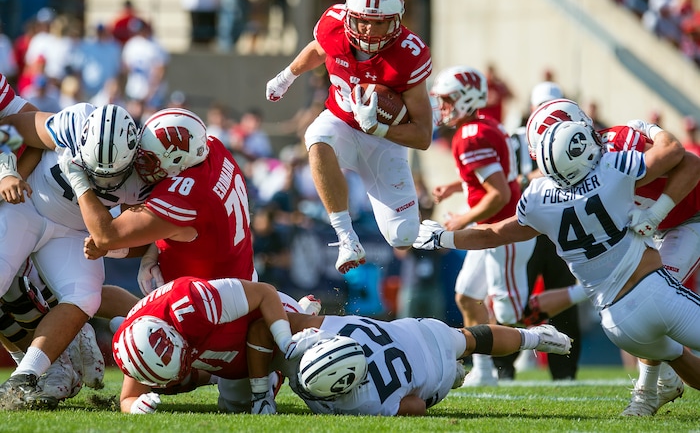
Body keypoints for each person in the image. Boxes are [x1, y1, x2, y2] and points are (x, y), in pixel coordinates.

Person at [413, 120, 700, 415]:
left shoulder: (540, 201)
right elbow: (673, 150)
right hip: (654, 291)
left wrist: (443, 237)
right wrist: (649, 128)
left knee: (675, 355)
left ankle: (648, 394)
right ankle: (650, 390)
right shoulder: (613, 170)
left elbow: (493, 233)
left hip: (617, 323)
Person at [525, 98, 700, 415]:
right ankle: (663, 382)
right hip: (651, 229)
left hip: (688, 217)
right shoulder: (564, 180)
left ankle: (649, 392)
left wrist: (657, 212)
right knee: (649, 302)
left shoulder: (619, 146)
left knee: (656, 290)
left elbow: (690, 164)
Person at [265, 0, 433, 274]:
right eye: (363, 20)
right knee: (316, 138)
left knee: (403, 237)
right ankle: (346, 238)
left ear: (396, 21)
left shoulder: (409, 55)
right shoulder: (334, 24)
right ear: (349, 15)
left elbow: (423, 136)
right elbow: (319, 49)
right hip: (340, 122)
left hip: (385, 142)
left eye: (379, 21)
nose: (369, 30)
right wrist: (286, 76)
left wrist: (380, 128)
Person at [0, 93, 146, 410]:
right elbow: (8, 128)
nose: (99, 180)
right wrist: (7, 171)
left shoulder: (146, 168)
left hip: (75, 233)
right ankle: (71, 343)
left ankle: (22, 379)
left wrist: (111, 246)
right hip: (25, 208)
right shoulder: (73, 122)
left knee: (86, 295)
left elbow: (145, 235)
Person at [60, 107, 258, 296]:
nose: (140, 163)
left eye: (149, 159)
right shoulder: (211, 147)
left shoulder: (185, 196)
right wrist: (153, 252)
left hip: (212, 301)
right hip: (240, 273)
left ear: (177, 161)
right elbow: (198, 225)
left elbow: (106, 235)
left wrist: (79, 181)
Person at [243, 311, 572, 416]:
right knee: (472, 338)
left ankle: (455, 375)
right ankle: (535, 338)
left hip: (435, 378)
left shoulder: (366, 401)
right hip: (420, 332)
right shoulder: (335, 330)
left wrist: (262, 396)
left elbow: (415, 406)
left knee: (433, 379)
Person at [429, 66, 535, 385]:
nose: (442, 107)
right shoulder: (481, 125)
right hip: (488, 230)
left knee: (508, 312)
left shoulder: (472, 135)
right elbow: (490, 177)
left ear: (466, 98)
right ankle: (484, 371)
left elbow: (499, 193)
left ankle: (543, 339)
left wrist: (461, 218)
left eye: (447, 100)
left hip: (504, 231)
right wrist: (454, 187)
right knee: (466, 295)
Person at [111, 276, 301, 414]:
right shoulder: (135, 347)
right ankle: (220, 377)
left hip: (265, 315)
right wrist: (137, 407)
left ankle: (276, 365)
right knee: (172, 386)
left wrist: (284, 339)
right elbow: (128, 399)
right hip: (216, 348)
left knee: (242, 401)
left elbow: (265, 292)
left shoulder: (190, 304)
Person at [512, 82, 584, 381]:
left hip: (561, 231)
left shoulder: (577, 137)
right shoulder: (516, 140)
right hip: (526, 230)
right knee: (515, 300)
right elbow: (508, 181)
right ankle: (504, 366)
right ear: (532, 110)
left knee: (564, 304)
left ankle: (564, 371)